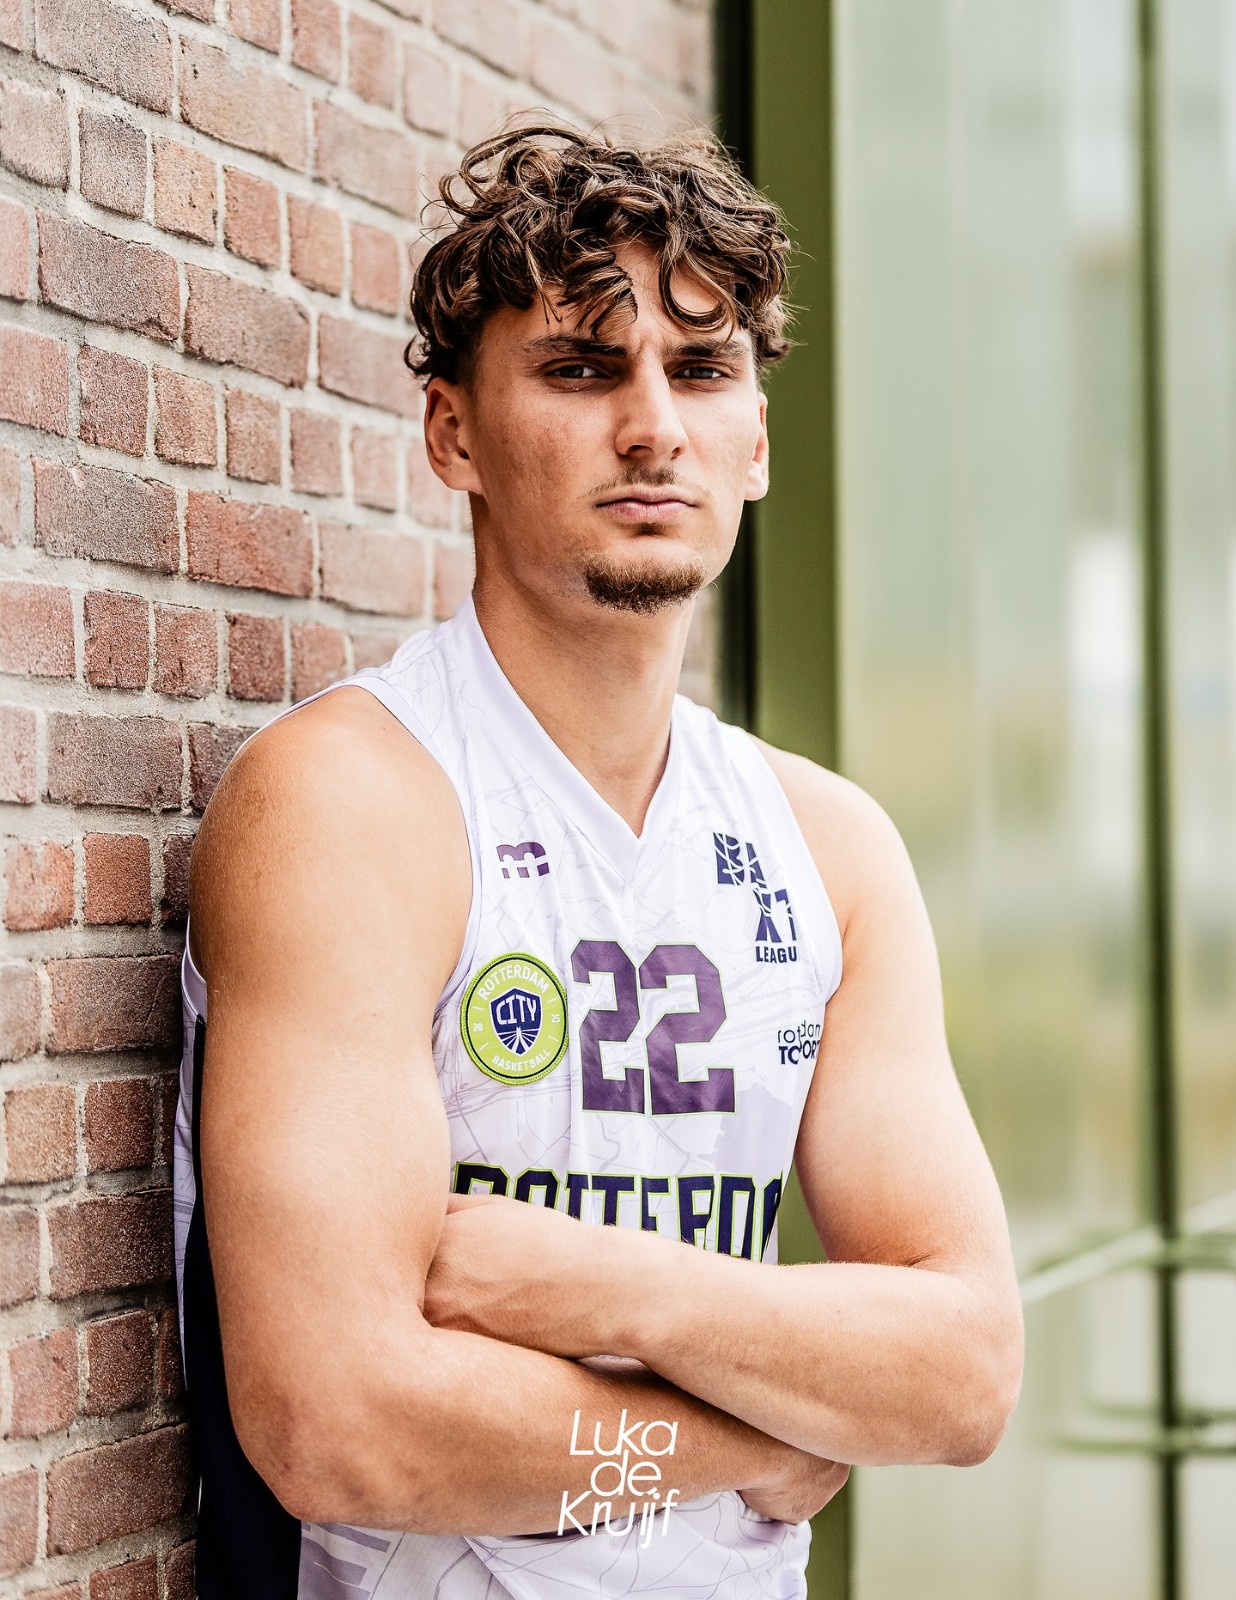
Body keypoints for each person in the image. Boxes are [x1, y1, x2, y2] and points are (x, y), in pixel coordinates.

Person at [172, 120, 1024, 1599]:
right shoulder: (352, 805)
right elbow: (343, 1429)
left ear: (758, 441)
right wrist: (754, 1431)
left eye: (701, 371)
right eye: (581, 369)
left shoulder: (827, 848)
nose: (653, 428)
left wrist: (609, 1288)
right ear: (454, 436)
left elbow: (965, 1373)